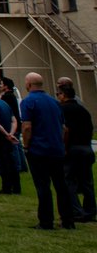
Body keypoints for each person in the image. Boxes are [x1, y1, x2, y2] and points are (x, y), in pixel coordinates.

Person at [20, 71, 73, 230]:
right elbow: (64, 129)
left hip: (39, 150)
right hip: (56, 149)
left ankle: (46, 221)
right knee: (61, 186)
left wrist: (26, 145)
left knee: (43, 186)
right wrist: (61, 145)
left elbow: (27, 126)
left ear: (28, 85)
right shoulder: (54, 102)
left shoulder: (28, 102)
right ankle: (68, 220)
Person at [57, 82, 95, 223]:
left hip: (72, 148)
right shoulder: (83, 110)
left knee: (69, 180)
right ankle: (90, 211)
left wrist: (64, 147)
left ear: (63, 95)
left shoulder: (62, 109)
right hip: (86, 147)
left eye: (58, 94)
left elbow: (65, 130)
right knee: (86, 181)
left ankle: (76, 211)